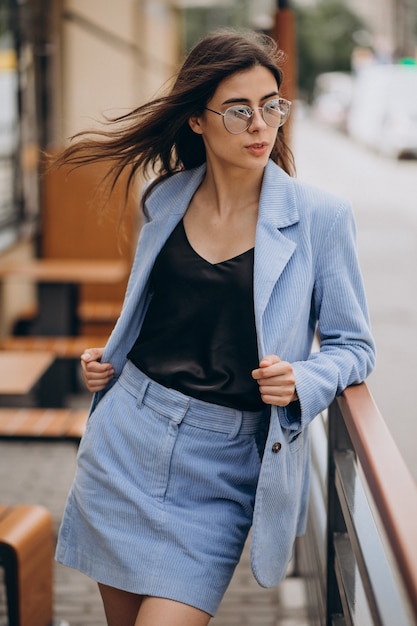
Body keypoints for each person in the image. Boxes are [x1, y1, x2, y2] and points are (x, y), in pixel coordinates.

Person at [55, 28, 376, 626]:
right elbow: (159, 311)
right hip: (127, 438)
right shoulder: (164, 199)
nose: (260, 124)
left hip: (224, 466)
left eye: (271, 104)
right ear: (198, 120)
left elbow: (355, 346)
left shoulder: (320, 220)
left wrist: (305, 379)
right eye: (238, 110)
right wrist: (109, 357)